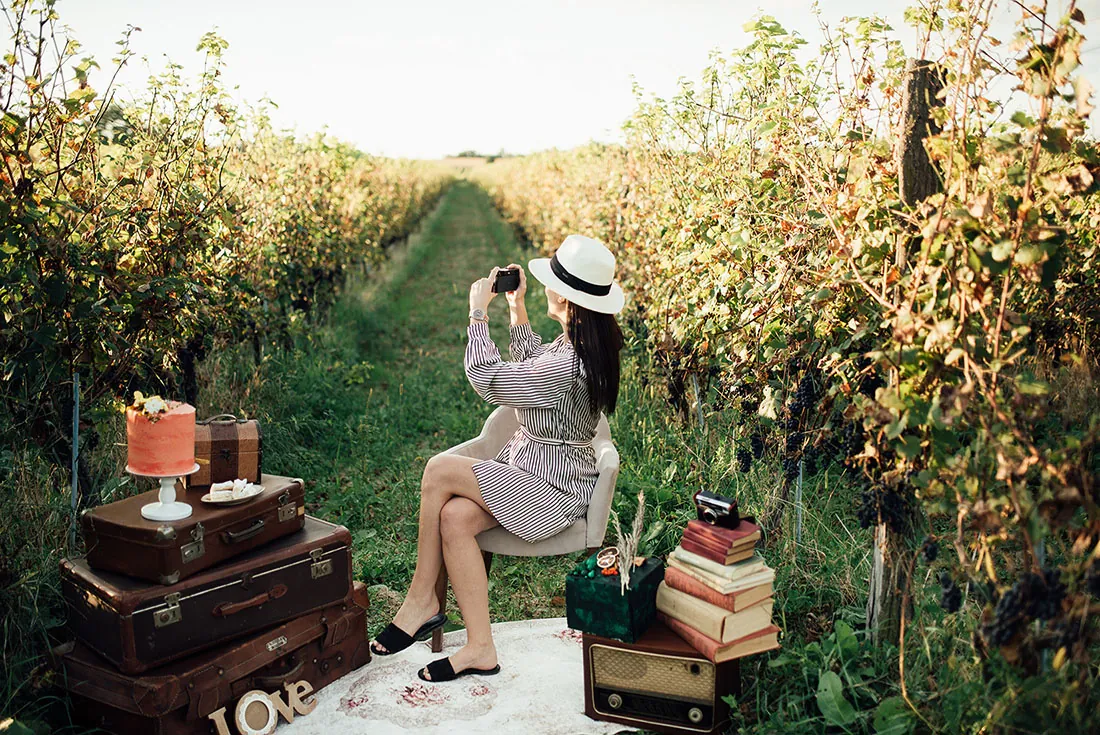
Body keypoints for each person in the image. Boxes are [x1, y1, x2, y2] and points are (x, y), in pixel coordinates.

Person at [369, 234, 625, 682]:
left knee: (438, 469)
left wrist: (477, 314)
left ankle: (421, 600)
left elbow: (490, 380)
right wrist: (515, 307)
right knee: (455, 518)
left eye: (551, 282)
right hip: (537, 470)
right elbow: (532, 365)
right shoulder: (576, 349)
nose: (545, 286)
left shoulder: (567, 365)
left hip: (553, 488)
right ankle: (480, 648)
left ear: (565, 298)